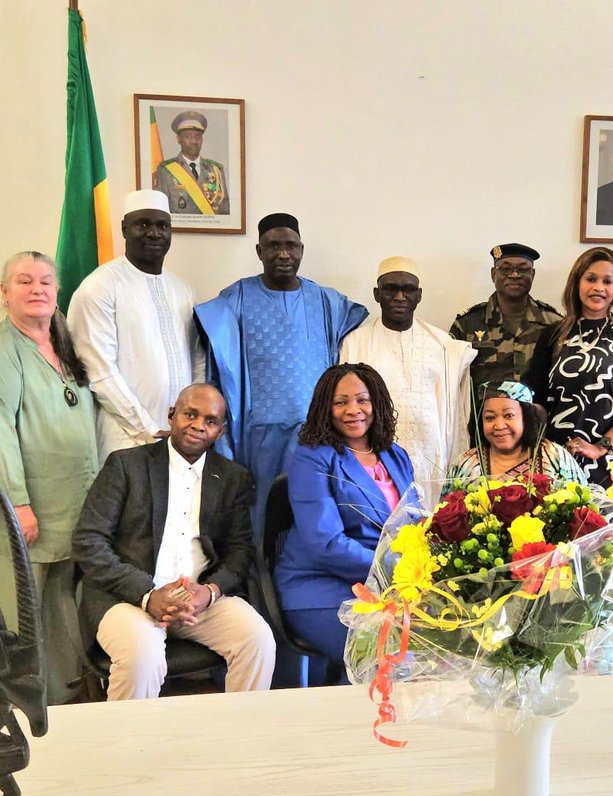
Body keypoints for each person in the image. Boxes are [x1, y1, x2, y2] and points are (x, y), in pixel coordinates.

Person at [0, 251, 99, 704]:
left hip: (69, 506)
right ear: (4, 293)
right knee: (14, 607)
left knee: (58, 609)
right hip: (21, 510)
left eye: (46, 282)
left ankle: (55, 697)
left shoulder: (65, 344)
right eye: (24, 281)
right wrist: (16, 503)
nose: (37, 289)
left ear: (58, 292)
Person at [72, 384, 275, 700]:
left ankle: (238, 740)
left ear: (220, 432)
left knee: (258, 639)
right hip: (127, 598)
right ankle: (127, 748)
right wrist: (147, 594)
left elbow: (239, 551)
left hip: (198, 599)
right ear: (172, 415)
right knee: (143, 655)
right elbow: (89, 541)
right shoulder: (126, 466)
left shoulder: (231, 478)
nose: (198, 425)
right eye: (190, 414)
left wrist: (208, 592)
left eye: (210, 421)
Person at [195, 212, 367, 532]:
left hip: (317, 431)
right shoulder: (238, 297)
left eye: (291, 246)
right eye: (273, 246)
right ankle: (257, 579)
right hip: (260, 432)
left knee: (315, 513)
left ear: (302, 249)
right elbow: (214, 345)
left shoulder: (326, 300)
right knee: (259, 513)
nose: (284, 254)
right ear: (259, 252)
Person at [275, 364, 415, 671]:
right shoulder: (312, 457)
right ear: (326, 408)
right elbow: (326, 544)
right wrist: (399, 570)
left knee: (446, 636)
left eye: (362, 400)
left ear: (376, 403)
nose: (353, 410)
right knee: (393, 659)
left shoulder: (396, 455)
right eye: (340, 402)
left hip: (388, 585)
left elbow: (413, 525)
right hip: (321, 586)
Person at [68, 189, 206, 462]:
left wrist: (191, 423)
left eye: (162, 225)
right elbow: (99, 372)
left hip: (180, 441)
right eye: (143, 224)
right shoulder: (100, 287)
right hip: (124, 437)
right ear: (124, 229)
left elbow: (197, 361)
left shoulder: (183, 290)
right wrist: (149, 429)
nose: (154, 233)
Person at [340, 255, 476, 504]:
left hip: (433, 457)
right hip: (378, 459)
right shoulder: (356, 343)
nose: (400, 297)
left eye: (408, 290)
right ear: (376, 294)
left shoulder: (443, 344)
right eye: (391, 289)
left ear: (419, 295)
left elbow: (458, 410)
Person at [526, 247, 613, 483]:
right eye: (591, 279)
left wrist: (602, 446)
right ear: (577, 283)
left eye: (607, 281)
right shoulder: (552, 334)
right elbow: (537, 398)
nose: (599, 287)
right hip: (558, 457)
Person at [450, 243, 561, 397]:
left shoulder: (555, 324)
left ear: (533, 274)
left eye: (523, 269)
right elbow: (451, 381)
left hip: (537, 419)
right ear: (493, 274)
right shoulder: (467, 325)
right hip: (483, 419)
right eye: (505, 269)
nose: (514, 275)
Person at [448, 381, 588, 486]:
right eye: (490, 418)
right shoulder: (465, 465)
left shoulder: (554, 456)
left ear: (526, 418)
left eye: (509, 415)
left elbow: (585, 506)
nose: (499, 426)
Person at [152, 110, 230, 216]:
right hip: (179, 231)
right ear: (179, 139)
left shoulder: (216, 170)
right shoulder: (166, 170)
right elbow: (161, 210)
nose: (193, 141)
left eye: (197, 136)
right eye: (188, 137)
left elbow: (225, 211)